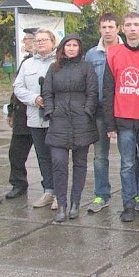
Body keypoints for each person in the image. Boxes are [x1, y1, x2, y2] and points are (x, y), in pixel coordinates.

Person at [103, 12, 139, 222]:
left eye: (136, 24)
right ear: (122, 28)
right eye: (128, 25)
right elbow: (108, 90)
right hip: (123, 120)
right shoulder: (113, 54)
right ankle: (128, 203)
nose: (132, 28)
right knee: (127, 164)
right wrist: (110, 123)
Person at [42, 34, 99, 222]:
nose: (72, 48)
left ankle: (75, 203)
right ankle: (62, 204)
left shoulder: (86, 67)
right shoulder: (54, 68)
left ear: (79, 48)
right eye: (69, 45)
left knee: (80, 164)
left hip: (81, 121)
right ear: (63, 47)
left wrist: (87, 111)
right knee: (59, 163)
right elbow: (47, 92)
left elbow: (92, 92)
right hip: (58, 121)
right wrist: (50, 111)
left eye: (75, 45)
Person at [14, 28, 58, 209]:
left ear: (53, 42)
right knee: (42, 157)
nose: (40, 43)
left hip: (55, 119)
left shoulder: (59, 63)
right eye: (37, 40)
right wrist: (34, 98)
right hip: (34, 118)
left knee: (57, 157)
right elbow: (18, 87)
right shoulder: (27, 64)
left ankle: (59, 193)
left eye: (44, 40)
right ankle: (48, 190)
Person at [85, 13, 122, 213]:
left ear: (118, 28)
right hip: (99, 112)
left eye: (111, 27)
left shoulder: (126, 50)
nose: (107, 31)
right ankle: (101, 194)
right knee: (100, 156)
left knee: (129, 156)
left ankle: (132, 195)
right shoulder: (92, 55)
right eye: (104, 27)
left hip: (123, 111)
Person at [5, 29, 36, 199]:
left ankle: (50, 188)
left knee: (46, 155)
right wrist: (11, 111)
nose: (24, 43)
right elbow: (16, 90)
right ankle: (18, 184)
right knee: (16, 153)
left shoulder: (51, 62)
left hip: (40, 116)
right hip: (22, 116)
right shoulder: (25, 62)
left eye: (27, 40)